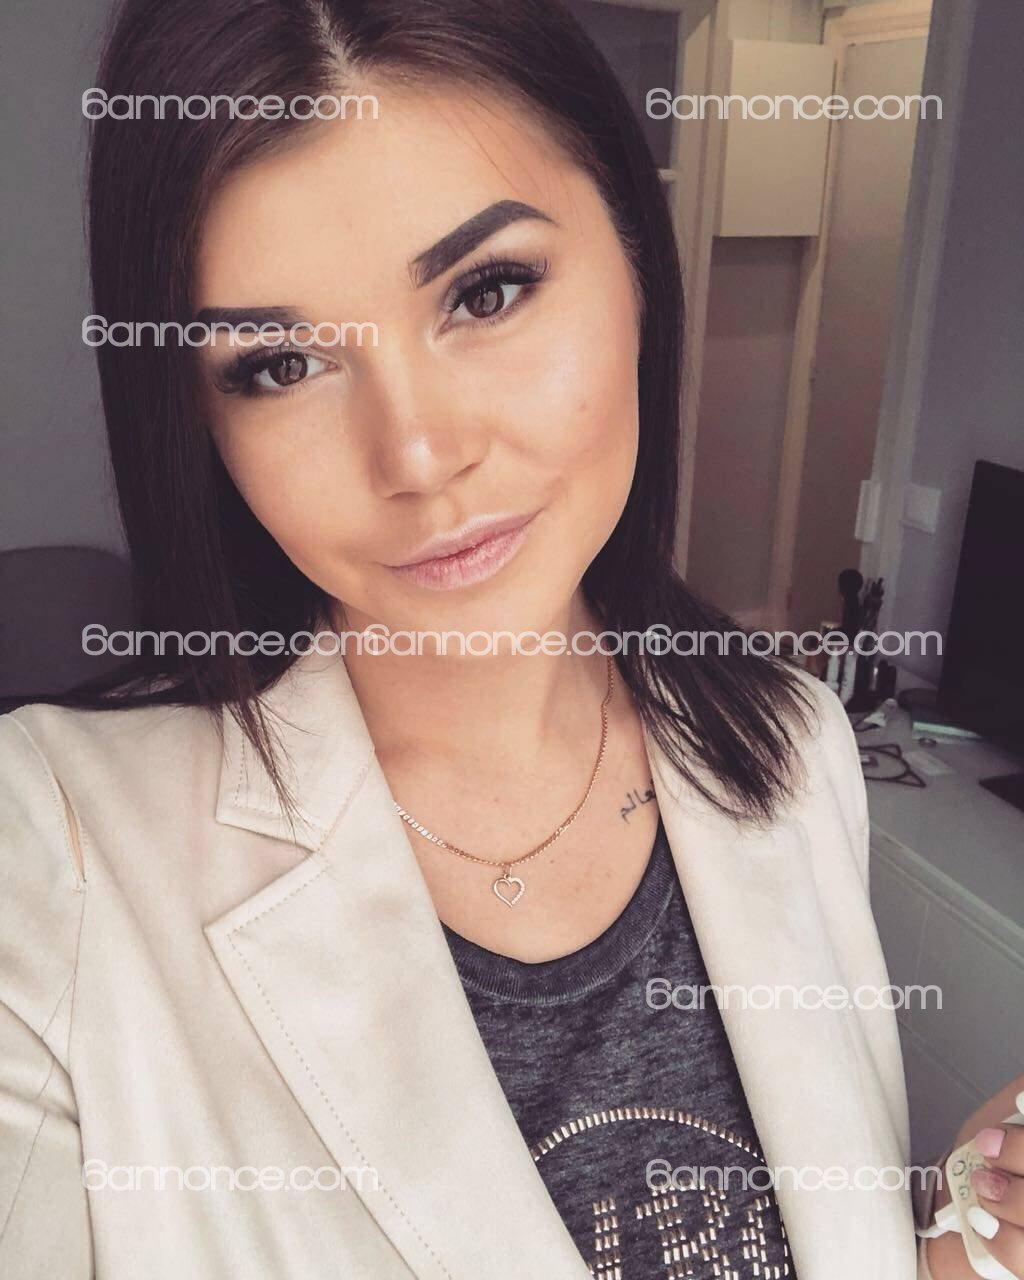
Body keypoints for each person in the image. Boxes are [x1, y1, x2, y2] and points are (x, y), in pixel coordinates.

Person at [1, 2, 1020, 1277]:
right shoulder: (47, 863)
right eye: (278, 364)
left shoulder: (790, 742)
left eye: (486, 292)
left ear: (637, 264)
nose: (419, 454)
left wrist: (962, 1239)